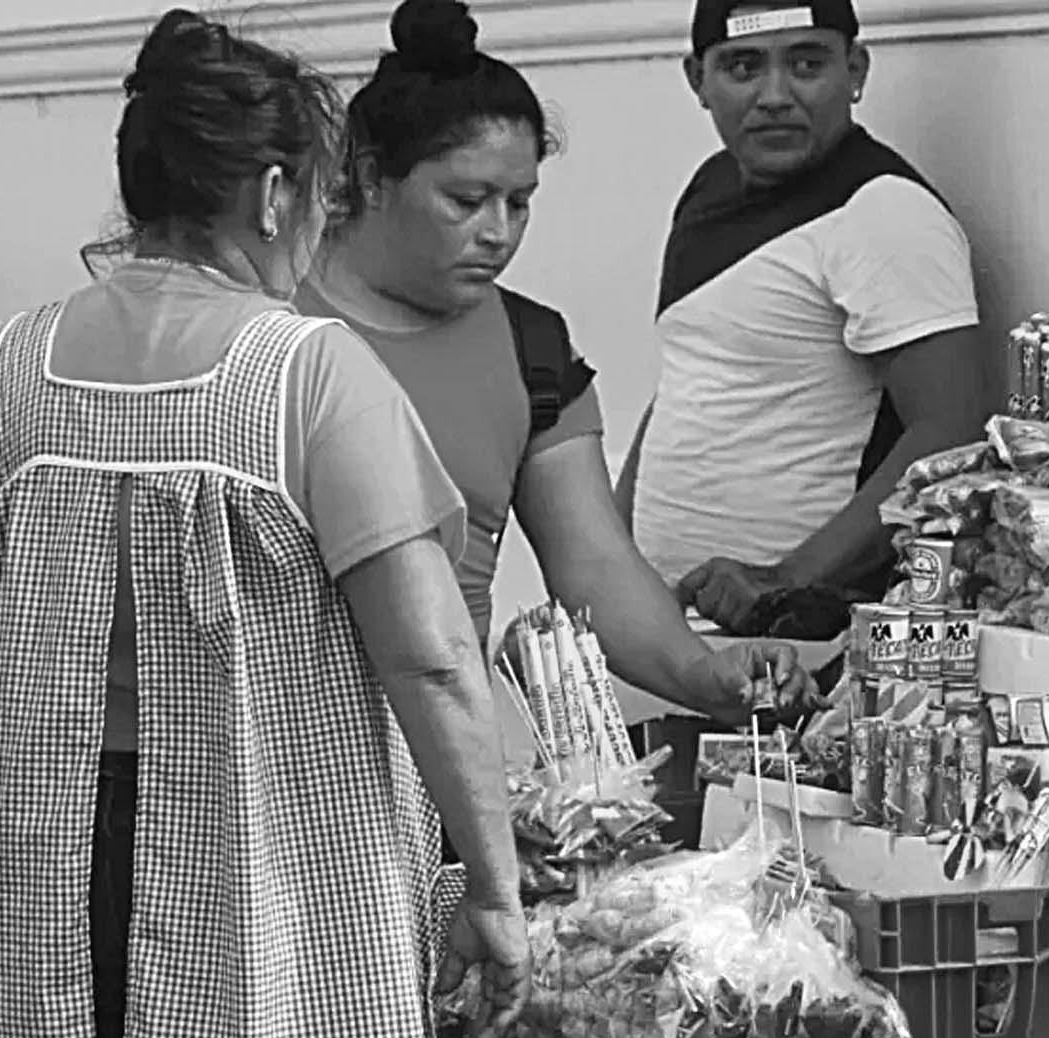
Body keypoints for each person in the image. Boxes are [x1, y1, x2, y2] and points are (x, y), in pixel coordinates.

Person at [0, 10, 528, 1038]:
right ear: (275, 194)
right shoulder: (308, 373)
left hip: (50, 853)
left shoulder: (17, 361)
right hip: (266, 845)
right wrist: (492, 885)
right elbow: (431, 660)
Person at [301, 0, 819, 740]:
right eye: (466, 200)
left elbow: (595, 566)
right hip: (264, 752)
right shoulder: (266, 323)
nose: (499, 233)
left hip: (442, 756)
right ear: (372, 178)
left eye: (520, 203)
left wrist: (703, 673)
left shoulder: (531, 347)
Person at [616, 0, 998, 636]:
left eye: (806, 64)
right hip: (668, 627)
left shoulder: (884, 210)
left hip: (799, 637)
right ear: (697, 80)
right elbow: (692, 379)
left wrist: (786, 579)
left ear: (856, 70)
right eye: (742, 67)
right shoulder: (710, 187)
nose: (774, 96)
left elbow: (951, 433)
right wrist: (608, 552)